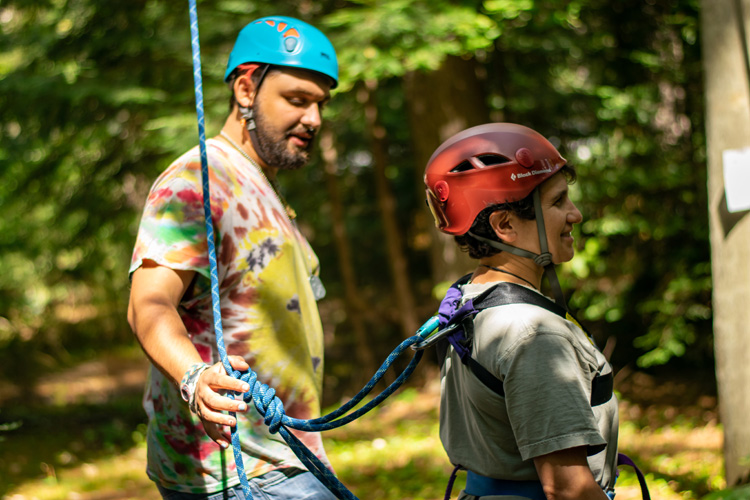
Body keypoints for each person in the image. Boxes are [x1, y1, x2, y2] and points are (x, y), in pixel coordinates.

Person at [127, 15, 339, 499]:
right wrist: (194, 376)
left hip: (285, 453)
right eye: (297, 100)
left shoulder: (259, 183)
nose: (315, 119)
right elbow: (148, 304)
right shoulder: (195, 183)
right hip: (237, 468)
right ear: (246, 88)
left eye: (320, 104)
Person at [424, 123, 619, 500]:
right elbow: (568, 490)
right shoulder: (533, 333)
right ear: (506, 225)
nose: (575, 214)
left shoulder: (471, 298)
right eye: (558, 201)